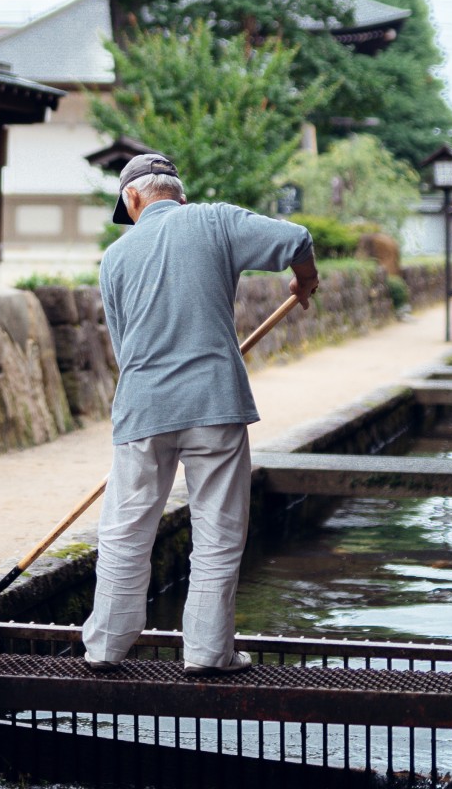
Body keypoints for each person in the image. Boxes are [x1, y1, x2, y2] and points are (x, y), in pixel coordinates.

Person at [81, 152, 319, 675]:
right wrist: (305, 281)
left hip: (143, 406)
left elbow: (126, 353)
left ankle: (103, 649)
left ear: (133, 199)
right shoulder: (215, 220)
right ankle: (209, 654)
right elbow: (298, 239)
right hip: (214, 401)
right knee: (218, 529)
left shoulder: (114, 259)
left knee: (125, 532)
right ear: (179, 194)